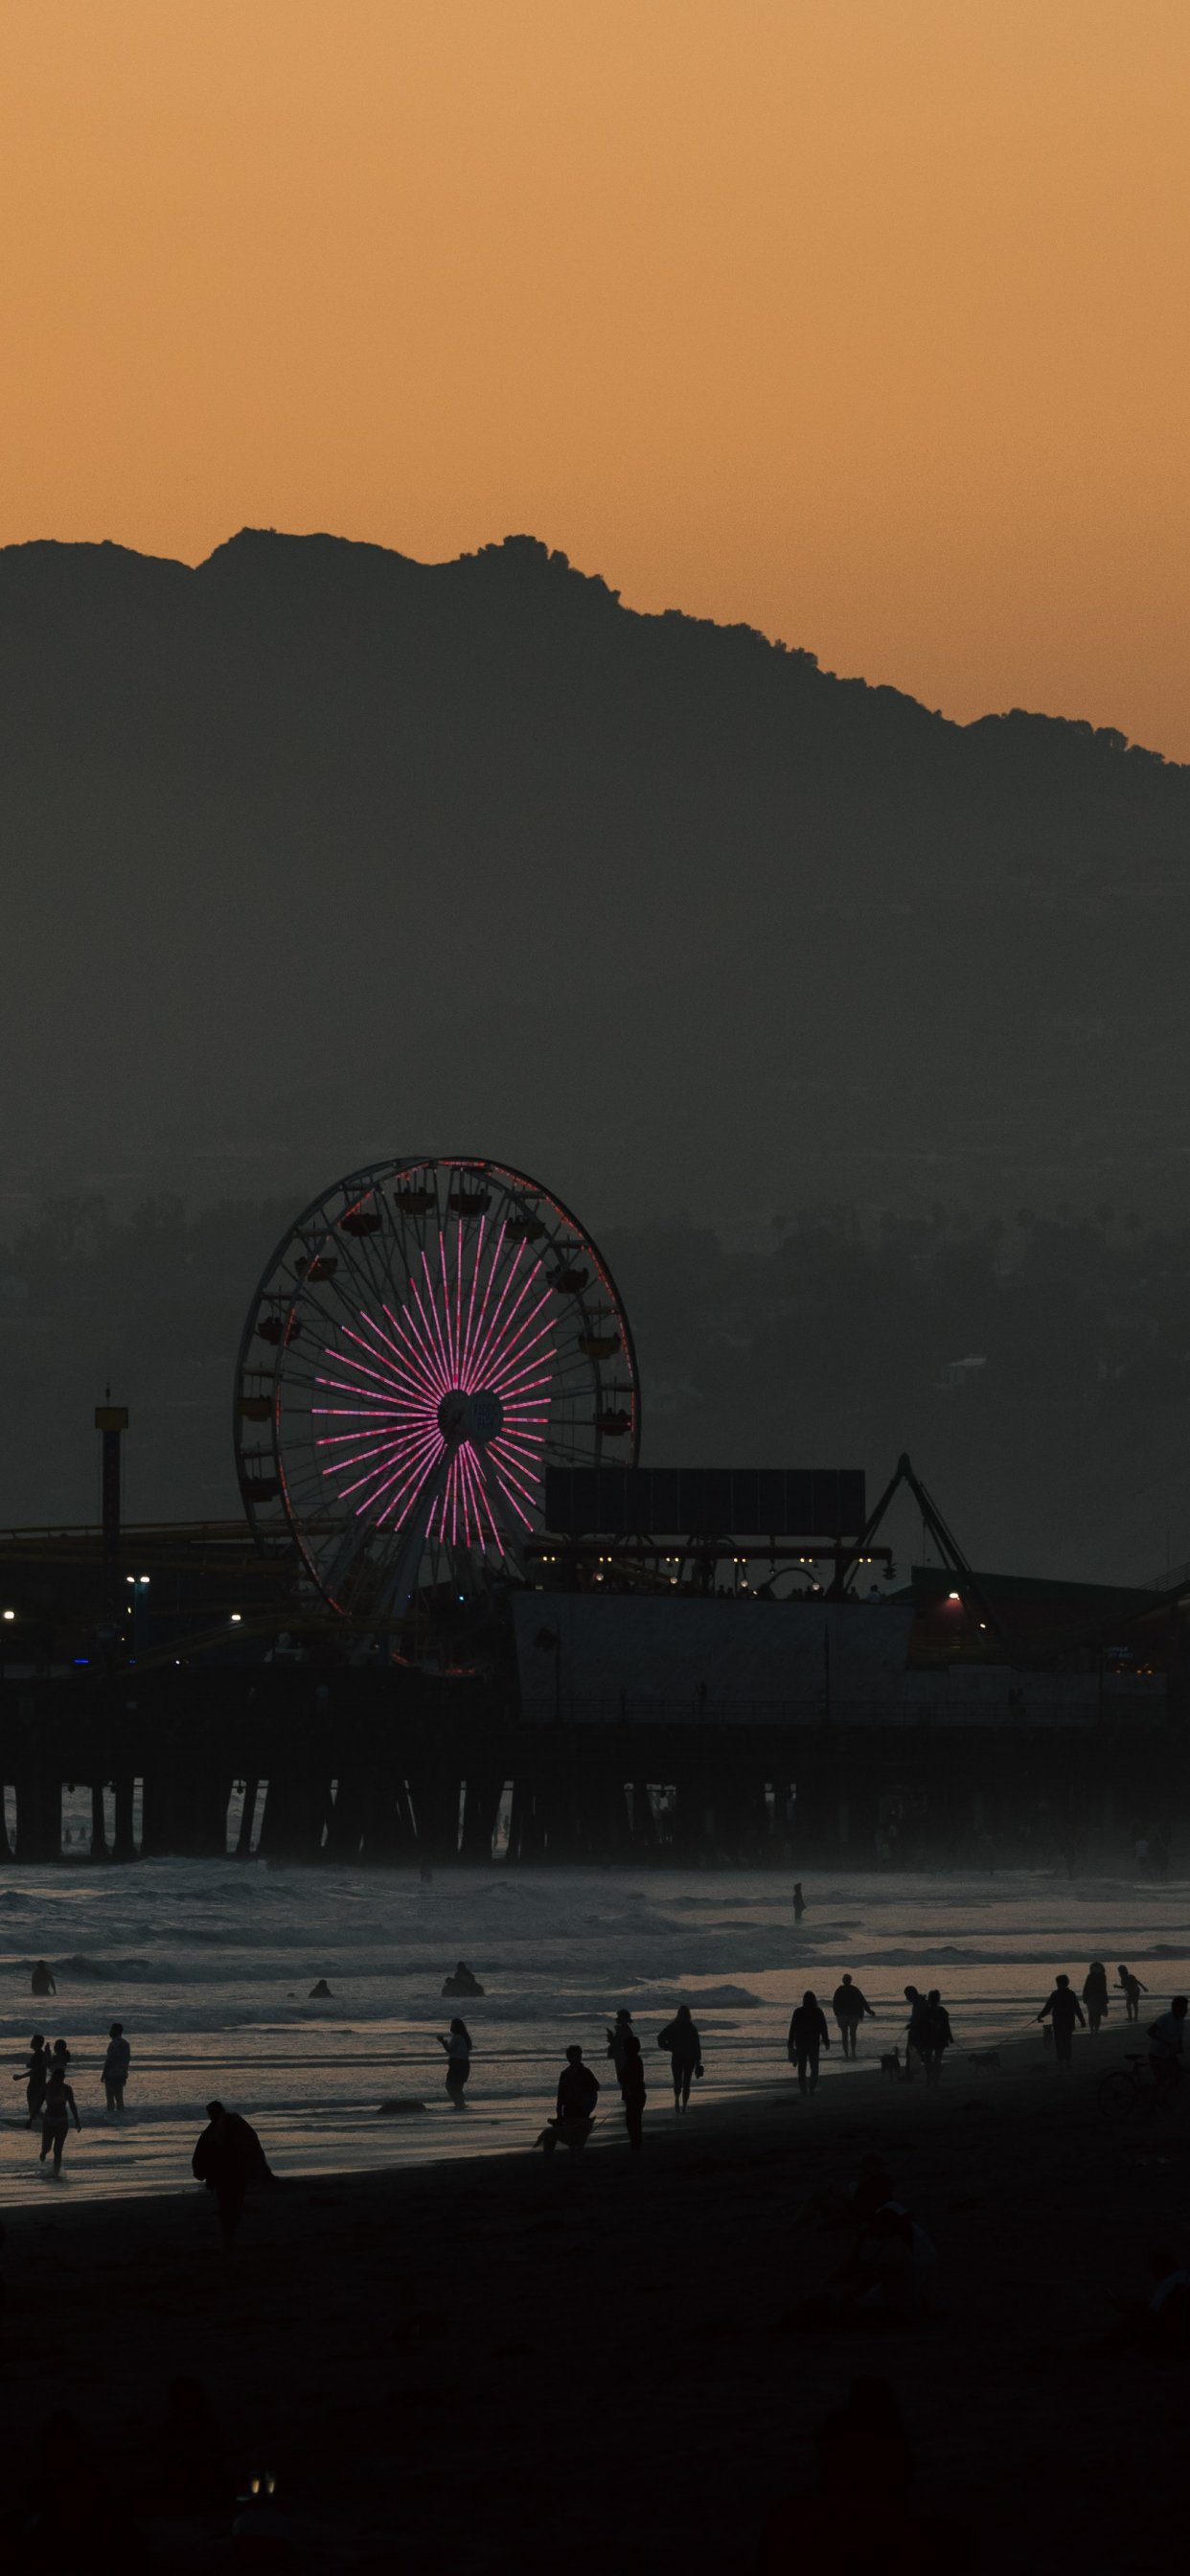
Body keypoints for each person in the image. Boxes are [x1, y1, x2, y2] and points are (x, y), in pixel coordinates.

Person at [192, 2101, 274, 2247]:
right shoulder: (233, 2125)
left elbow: (202, 2152)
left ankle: (228, 2235)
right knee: (234, 2204)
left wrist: (201, 2172)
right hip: (235, 2173)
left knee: (227, 2205)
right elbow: (252, 2144)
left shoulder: (215, 2130)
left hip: (228, 2174)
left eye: (210, 2114)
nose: (210, 2117)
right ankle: (229, 2235)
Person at [539, 2044, 600, 2156]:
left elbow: (596, 2086)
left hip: (582, 2109)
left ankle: (578, 2157)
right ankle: (574, 2157)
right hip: (569, 2109)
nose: (578, 2057)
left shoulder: (586, 2072)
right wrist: (559, 2113)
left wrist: (583, 2091)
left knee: (580, 2138)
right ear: (569, 2058)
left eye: (579, 2055)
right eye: (575, 2055)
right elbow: (560, 2095)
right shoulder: (564, 2074)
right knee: (570, 2137)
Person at [606, 2009, 646, 2149]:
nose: (617, 2018)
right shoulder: (625, 2029)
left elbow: (621, 2044)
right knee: (624, 2077)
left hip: (623, 2058)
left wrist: (612, 2039)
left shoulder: (625, 2030)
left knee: (624, 2076)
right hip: (623, 2058)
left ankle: (626, 2092)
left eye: (619, 2016)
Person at [656, 2002, 703, 2109]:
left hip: (677, 2057)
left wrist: (668, 2047)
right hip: (690, 2058)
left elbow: (660, 2037)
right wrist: (698, 2060)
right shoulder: (692, 2028)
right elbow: (696, 2045)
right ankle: (684, 2106)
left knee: (677, 2081)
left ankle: (677, 2099)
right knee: (687, 2083)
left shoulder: (674, 2026)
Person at [788, 1990, 830, 2096]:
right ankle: (811, 2088)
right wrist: (826, 2040)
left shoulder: (798, 2012)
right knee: (814, 2067)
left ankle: (803, 2089)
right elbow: (823, 2028)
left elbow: (793, 2028)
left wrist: (790, 2042)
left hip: (800, 2042)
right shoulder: (818, 2012)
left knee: (802, 2067)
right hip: (814, 2042)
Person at [39, 2063, 80, 2173]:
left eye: (63, 2077)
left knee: (58, 2150)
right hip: (48, 2121)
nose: (61, 2080)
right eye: (59, 2078)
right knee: (47, 2147)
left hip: (62, 2121)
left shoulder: (67, 2089)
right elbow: (39, 2103)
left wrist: (77, 2120)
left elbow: (72, 2105)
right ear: (54, 2077)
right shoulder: (46, 2088)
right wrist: (31, 2119)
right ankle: (43, 2152)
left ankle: (56, 2171)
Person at [1147, 1993, 1187, 2101]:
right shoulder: (1165, 2018)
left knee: (1178, 2075)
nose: (1186, 2011)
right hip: (1156, 2054)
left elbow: (1179, 2036)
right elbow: (1150, 2031)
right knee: (1161, 2079)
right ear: (1177, 2008)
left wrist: (1179, 2046)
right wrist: (1165, 2043)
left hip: (1170, 2054)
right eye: (1184, 2008)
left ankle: (1164, 2096)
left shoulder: (1181, 2020)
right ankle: (1154, 2099)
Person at [1038, 1973, 1085, 2064]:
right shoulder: (1071, 1994)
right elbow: (1077, 2008)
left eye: (1057, 1983)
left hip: (1058, 2021)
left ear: (1059, 1983)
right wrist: (1082, 2020)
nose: (1057, 1984)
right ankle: (1067, 2061)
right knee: (1067, 2041)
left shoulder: (1055, 1994)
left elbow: (1047, 2008)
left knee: (1059, 2042)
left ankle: (1061, 2061)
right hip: (1069, 2021)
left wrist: (1040, 2016)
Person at [832, 1972, 876, 2060]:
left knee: (849, 2034)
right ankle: (848, 2053)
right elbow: (835, 2003)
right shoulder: (841, 1990)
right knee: (848, 2034)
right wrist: (869, 2011)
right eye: (846, 1980)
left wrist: (869, 2011)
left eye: (847, 1979)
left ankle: (851, 2053)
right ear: (844, 1981)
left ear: (849, 1980)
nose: (846, 1981)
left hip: (851, 2015)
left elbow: (862, 2001)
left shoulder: (853, 1989)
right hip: (845, 2015)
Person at [920, 1990, 953, 2084]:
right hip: (940, 2038)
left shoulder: (927, 2011)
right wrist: (950, 2037)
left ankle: (929, 2078)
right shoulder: (941, 2010)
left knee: (928, 2059)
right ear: (938, 1999)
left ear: (929, 1999)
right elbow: (946, 2025)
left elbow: (923, 2026)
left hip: (929, 2038)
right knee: (937, 2059)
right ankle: (936, 2080)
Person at [438, 2017, 471, 2106]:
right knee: (458, 2087)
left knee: (450, 2086)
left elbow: (450, 2049)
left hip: (457, 2065)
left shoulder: (457, 2037)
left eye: (452, 2025)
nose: (451, 2026)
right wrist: (444, 2043)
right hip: (464, 2064)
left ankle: (459, 2103)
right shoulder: (464, 2037)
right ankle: (461, 2104)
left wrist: (442, 2042)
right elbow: (451, 2049)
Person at [18, 2034, 50, 2128]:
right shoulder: (42, 2054)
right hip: (40, 2084)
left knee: (33, 2107)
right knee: (36, 2106)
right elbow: (42, 2066)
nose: (31, 2042)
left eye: (32, 2041)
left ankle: (42, 2123)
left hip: (35, 2084)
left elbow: (34, 2070)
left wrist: (20, 2077)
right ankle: (42, 2123)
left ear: (36, 2043)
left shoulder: (37, 2055)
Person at [102, 2022, 130, 2113]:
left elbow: (110, 2060)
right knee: (119, 2098)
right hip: (121, 2073)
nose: (110, 2032)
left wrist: (103, 2074)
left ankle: (111, 2118)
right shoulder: (126, 2044)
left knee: (110, 2099)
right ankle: (121, 2117)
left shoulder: (113, 2044)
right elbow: (127, 2060)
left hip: (111, 2074)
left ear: (116, 2031)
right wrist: (125, 2073)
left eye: (111, 2030)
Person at [903, 1985, 929, 2080]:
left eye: (907, 1996)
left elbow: (919, 2018)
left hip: (918, 2032)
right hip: (920, 2031)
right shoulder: (920, 2002)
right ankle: (934, 2067)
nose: (907, 1998)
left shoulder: (919, 2003)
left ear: (911, 1995)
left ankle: (908, 2074)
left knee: (911, 2052)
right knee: (919, 2053)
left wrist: (912, 2025)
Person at [1082, 1962, 1109, 2035]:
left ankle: (1096, 2030)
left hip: (1099, 1997)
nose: (1096, 1969)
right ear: (1092, 1969)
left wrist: (1105, 1998)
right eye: (1094, 1968)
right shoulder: (1090, 1976)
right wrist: (1084, 1996)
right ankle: (1092, 2030)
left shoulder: (1102, 1976)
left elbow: (1104, 1988)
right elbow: (1086, 1987)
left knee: (1097, 2014)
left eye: (1098, 1968)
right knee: (1092, 2013)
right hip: (1091, 1997)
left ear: (1101, 1968)